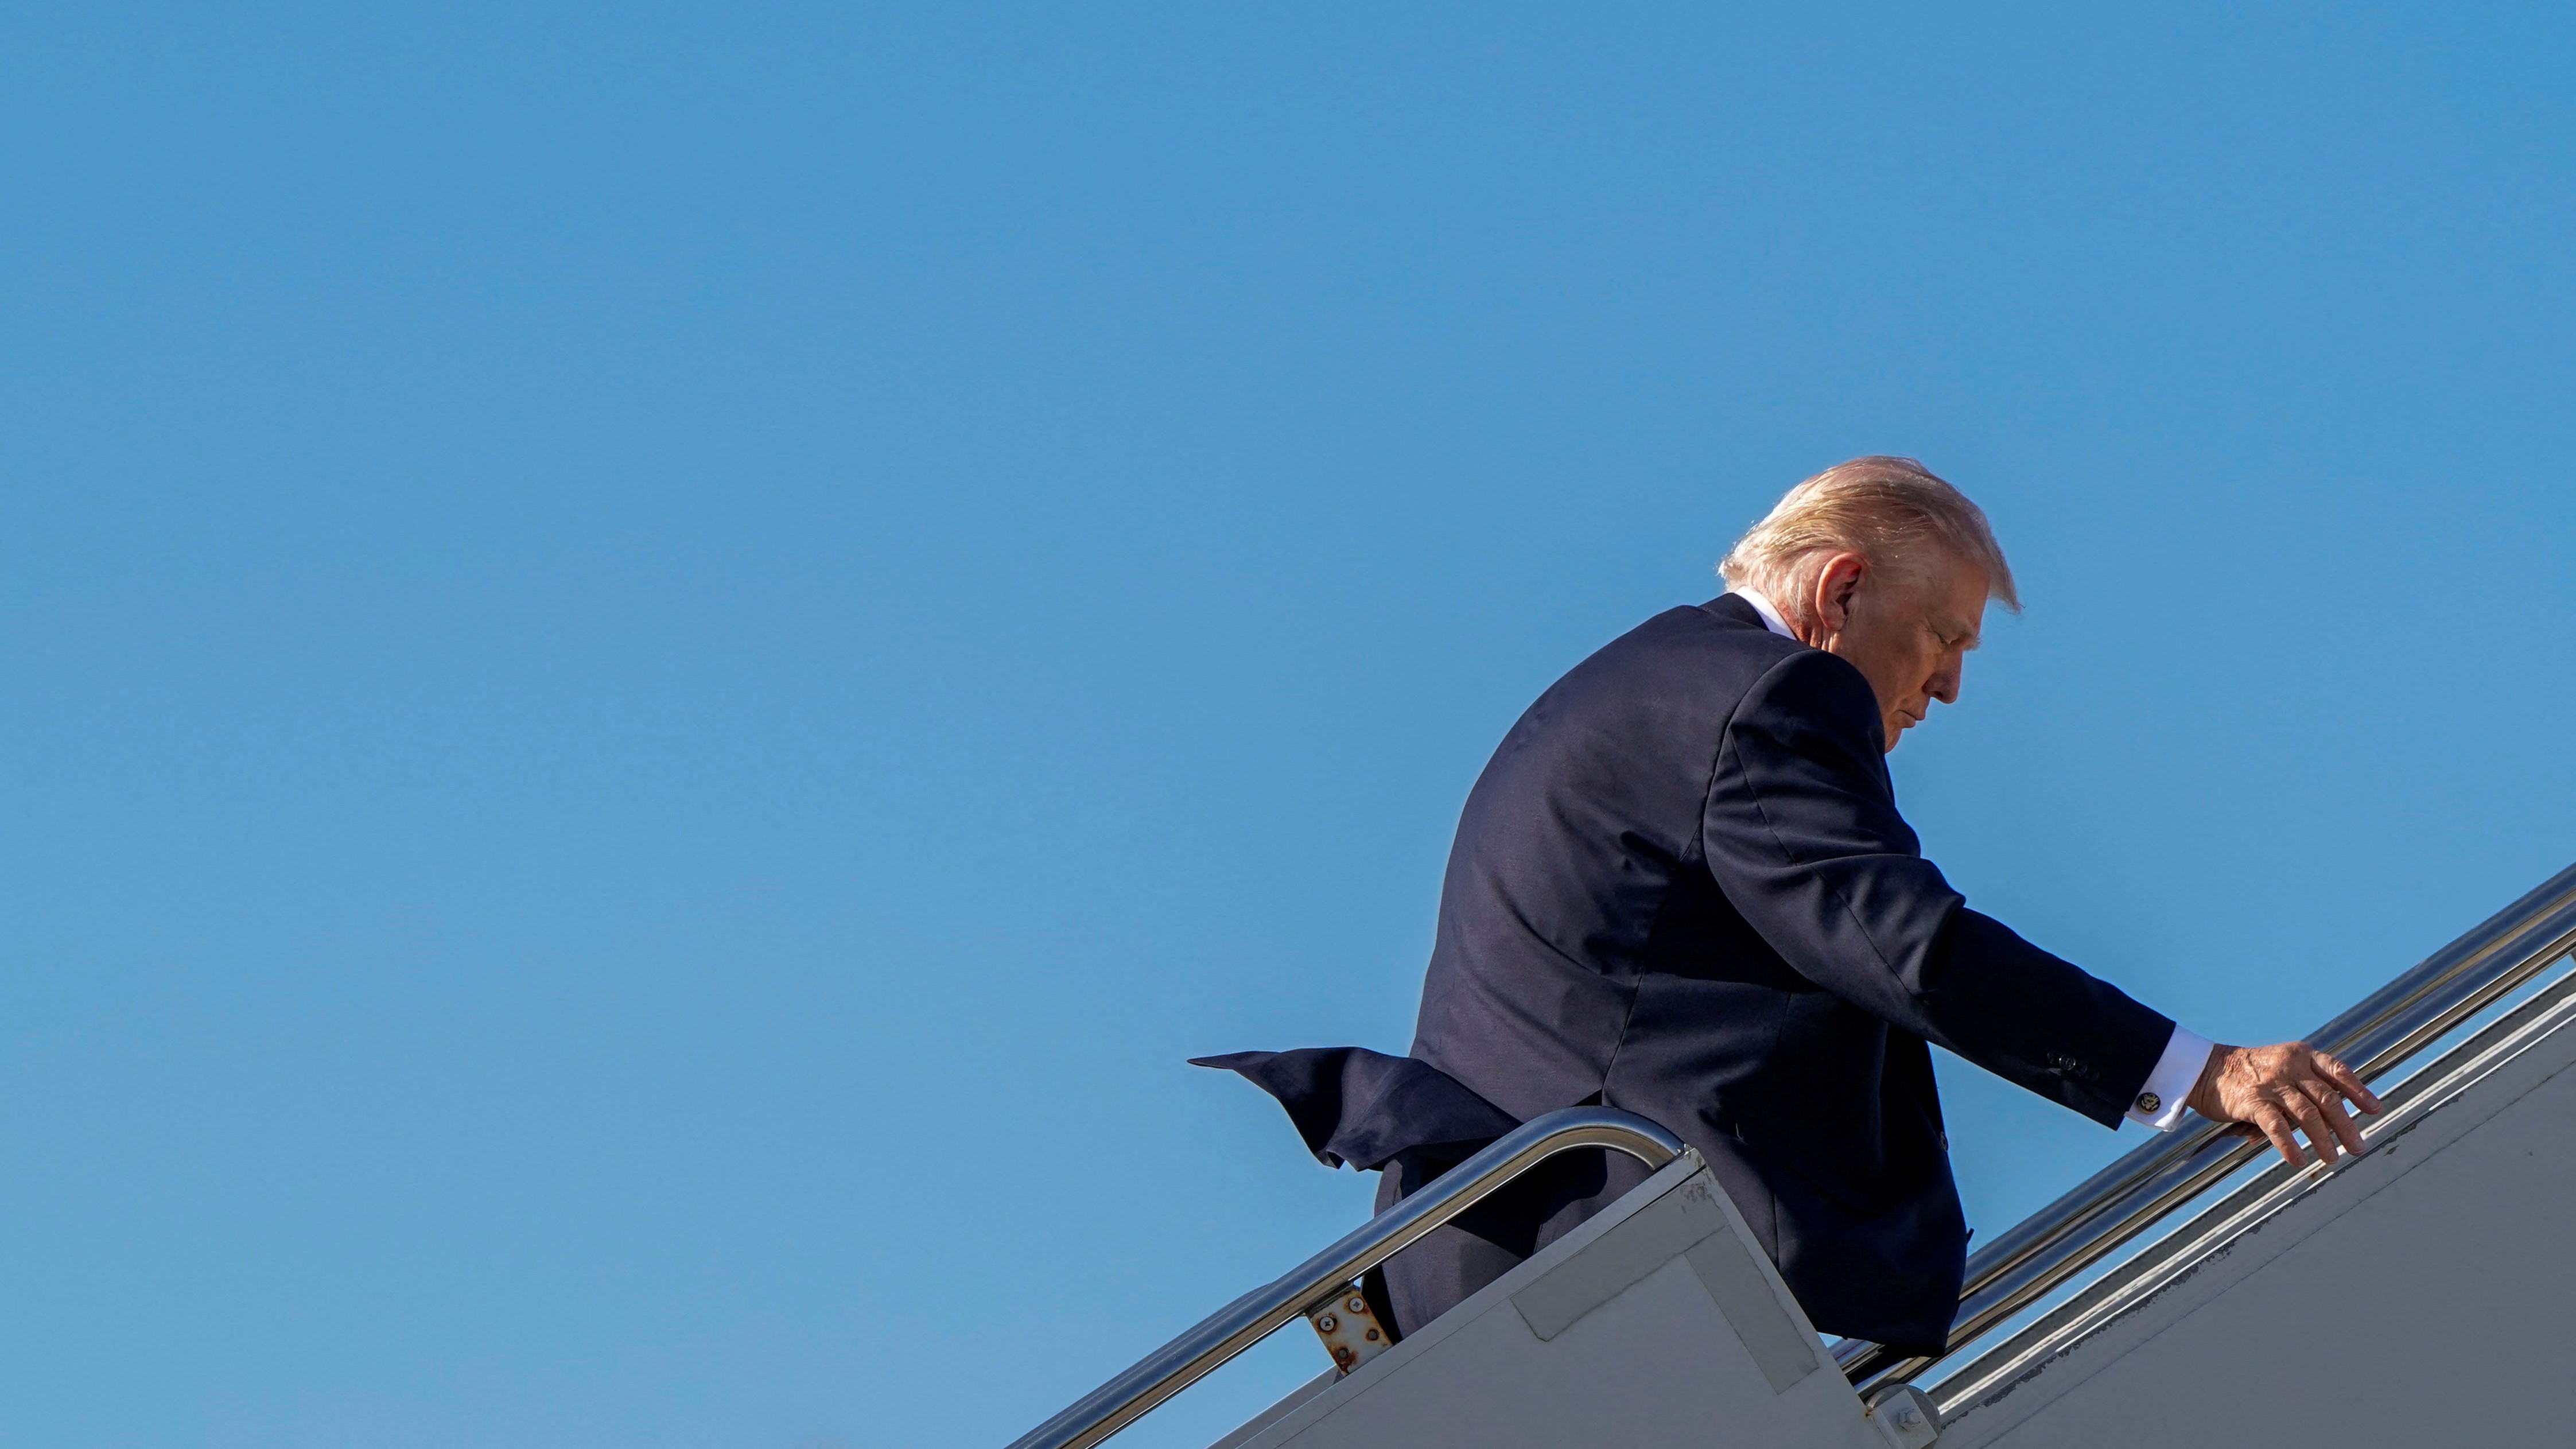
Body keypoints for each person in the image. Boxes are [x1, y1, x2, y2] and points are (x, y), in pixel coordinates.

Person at [1198, 456, 2381, 1355]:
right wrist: (2195, 1071)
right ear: (1841, 586)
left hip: (1503, 1260)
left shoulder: (1649, 680)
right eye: (1939, 635)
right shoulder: (1768, 693)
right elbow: (1900, 945)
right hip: (1596, 1269)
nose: (1951, 685)